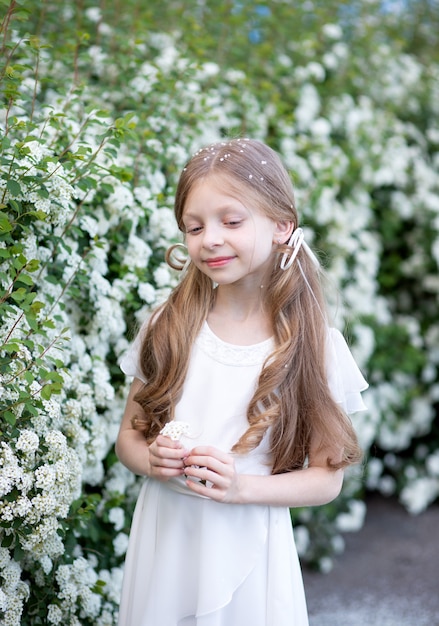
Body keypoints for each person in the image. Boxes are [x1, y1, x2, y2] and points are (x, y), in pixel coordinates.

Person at [115, 138, 368, 626]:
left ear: (281, 225)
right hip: (167, 542)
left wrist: (239, 489)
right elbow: (129, 436)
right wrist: (150, 458)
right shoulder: (168, 326)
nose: (210, 238)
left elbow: (326, 478)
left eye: (231, 221)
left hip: (250, 551)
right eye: (194, 226)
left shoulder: (311, 344)